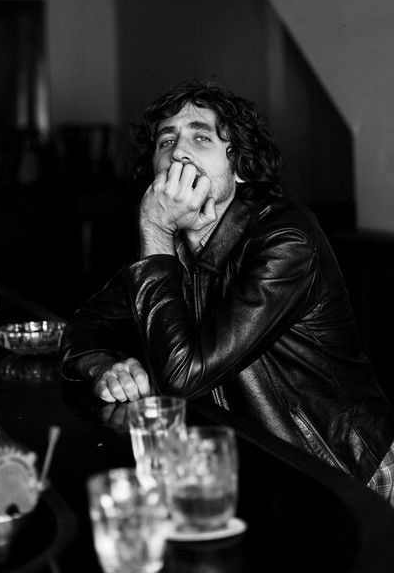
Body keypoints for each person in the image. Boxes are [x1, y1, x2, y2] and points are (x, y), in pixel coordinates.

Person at [61, 80, 394, 498]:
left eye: (201, 138)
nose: (178, 152)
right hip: (253, 470)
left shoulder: (285, 238)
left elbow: (183, 377)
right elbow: (83, 324)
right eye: (166, 141)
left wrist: (155, 228)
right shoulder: (167, 247)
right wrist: (103, 367)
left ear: (239, 166)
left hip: (340, 471)